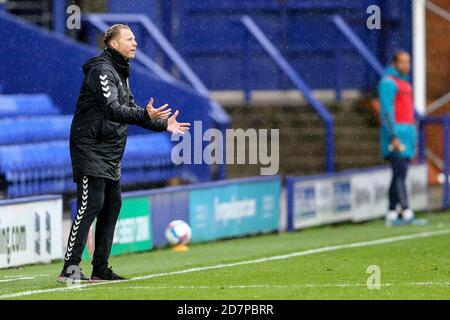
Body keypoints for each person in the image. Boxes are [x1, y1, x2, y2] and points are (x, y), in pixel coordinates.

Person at [58, 24, 190, 282]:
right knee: (91, 204)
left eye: (135, 40)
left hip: (110, 152)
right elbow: (113, 109)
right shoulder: (101, 71)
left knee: (112, 205)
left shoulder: (121, 73)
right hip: (90, 147)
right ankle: (70, 268)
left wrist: (163, 124)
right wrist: (144, 114)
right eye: (129, 39)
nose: (135, 43)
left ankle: (100, 269)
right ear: (113, 44)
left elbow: (131, 110)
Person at [378, 51, 417, 226]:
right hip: (396, 134)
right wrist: (392, 135)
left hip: (407, 134)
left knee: (399, 173)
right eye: (402, 62)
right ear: (394, 63)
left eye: (408, 62)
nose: (406, 65)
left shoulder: (404, 82)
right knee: (399, 171)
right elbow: (386, 110)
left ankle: (392, 213)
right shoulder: (388, 82)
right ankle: (406, 211)